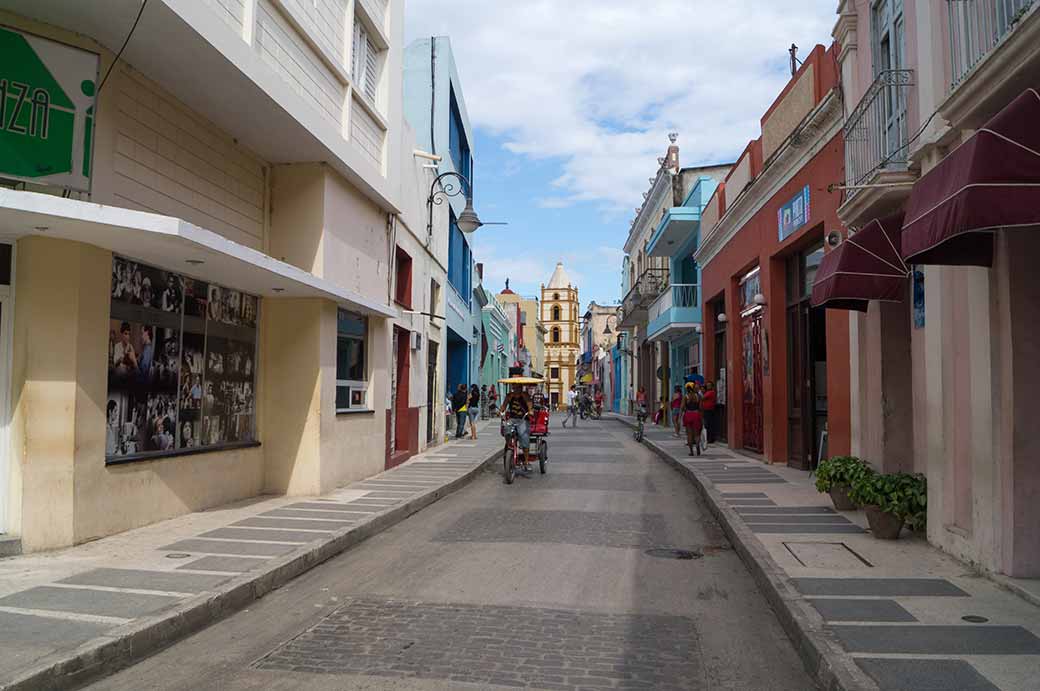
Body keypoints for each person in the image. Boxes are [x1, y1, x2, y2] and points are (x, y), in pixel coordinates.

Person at [501, 382, 533, 466]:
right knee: (506, 429)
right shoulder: (509, 396)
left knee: (524, 436)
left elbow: (529, 404)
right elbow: (503, 406)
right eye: (514, 387)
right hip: (512, 419)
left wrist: (530, 410)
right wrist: (501, 411)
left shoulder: (525, 395)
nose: (516, 389)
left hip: (523, 419)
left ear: (521, 387)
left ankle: (526, 460)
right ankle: (509, 446)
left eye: (518, 387)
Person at [681, 383, 703, 456]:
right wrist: (702, 417)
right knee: (697, 434)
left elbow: (682, 407)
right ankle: (697, 447)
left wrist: (680, 416)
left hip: (688, 415)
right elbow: (700, 408)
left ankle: (691, 451)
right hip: (696, 415)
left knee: (689, 434)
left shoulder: (685, 396)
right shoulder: (698, 396)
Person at [701, 381, 718, 445]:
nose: (708, 386)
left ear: (712, 386)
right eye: (707, 385)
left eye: (709, 385)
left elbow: (702, 398)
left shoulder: (711, 392)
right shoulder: (707, 392)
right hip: (706, 410)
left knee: (709, 424)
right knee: (707, 424)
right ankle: (709, 438)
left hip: (709, 410)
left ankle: (710, 438)